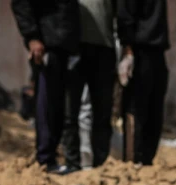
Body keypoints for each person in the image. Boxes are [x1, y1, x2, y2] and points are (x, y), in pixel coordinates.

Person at [12, 0, 81, 173]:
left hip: (64, 47)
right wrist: (33, 37)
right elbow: (21, 4)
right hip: (47, 46)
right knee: (47, 105)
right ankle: (45, 158)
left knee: (58, 108)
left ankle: (51, 159)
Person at [59, 0, 117, 169]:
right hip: (74, 48)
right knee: (70, 113)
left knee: (103, 113)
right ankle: (72, 164)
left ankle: (102, 164)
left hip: (104, 50)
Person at [118, 0, 170, 166]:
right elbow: (124, 14)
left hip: (158, 51)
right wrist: (128, 51)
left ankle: (147, 159)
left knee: (155, 110)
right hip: (138, 51)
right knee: (136, 108)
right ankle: (133, 160)